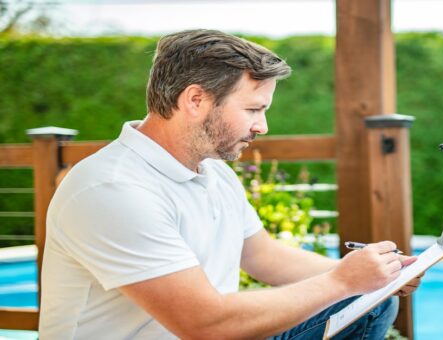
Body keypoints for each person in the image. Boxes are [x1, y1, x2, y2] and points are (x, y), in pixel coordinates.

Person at [39, 29, 422, 339]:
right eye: (253, 109)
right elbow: (203, 323)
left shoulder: (213, 170)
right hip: (205, 331)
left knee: (374, 300)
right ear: (195, 100)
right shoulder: (112, 190)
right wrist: (342, 281)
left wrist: (368, 274)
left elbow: (264, 257)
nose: (262, 126)